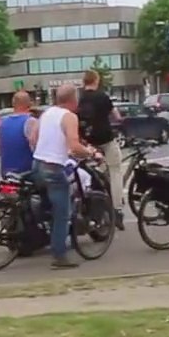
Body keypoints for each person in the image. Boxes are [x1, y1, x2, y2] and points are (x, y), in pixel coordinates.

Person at [30, 85, 102, 270]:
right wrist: (91, 153)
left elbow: (33, 138)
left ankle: (42, 230)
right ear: (73, 100)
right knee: (63, 212)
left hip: (37, 164)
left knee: (49, 203)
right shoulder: (69, 117)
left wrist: (48, 149)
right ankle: (59, 256)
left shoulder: (46, 113)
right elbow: (75, 146)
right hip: (53, 167)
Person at [77, 70, 125, 229]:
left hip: (88, 141)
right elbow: (116, 116)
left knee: (90, 173)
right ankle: (117, 210)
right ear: (96, 80)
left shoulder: (81, 98)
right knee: (115, 170)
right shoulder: (102, 96)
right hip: (105, 138)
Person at [0, 91, 37, 177]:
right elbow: (37, 148)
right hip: (27, 172)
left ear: (13, 104)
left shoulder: (2, 123)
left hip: (6, 173)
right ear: (29, 104)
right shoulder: (31, 121)